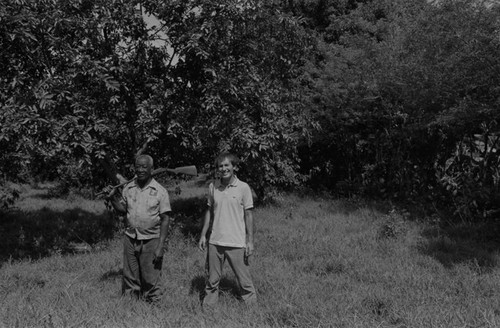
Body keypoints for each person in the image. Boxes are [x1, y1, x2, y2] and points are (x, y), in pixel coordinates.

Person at [105, 155, 171, 303]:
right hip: (130, 237)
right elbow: (122, 211)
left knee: (150, 277)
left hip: (151, 240)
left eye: (144, 167)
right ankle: (131, 304)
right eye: (138, 166)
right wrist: (112, 198)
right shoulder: (129, 188)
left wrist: (161, 246)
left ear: (151, 169)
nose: (140, 170)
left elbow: (166, 219)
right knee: (130, 275)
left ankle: (155, 306)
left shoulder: (160, 191)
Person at [198, 152, 257, 306]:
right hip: (215, 242)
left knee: (244, 281)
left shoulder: (243, 188)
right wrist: (203, 235)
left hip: (236, 242)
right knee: (212, 280)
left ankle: (253, 310)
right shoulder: (213, 186)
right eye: (220, 166)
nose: (223, 169)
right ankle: (208, 309)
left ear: (234, 167)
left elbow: (249, 215)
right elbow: (209, 212)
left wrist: (250, 241)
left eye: (226, 165)